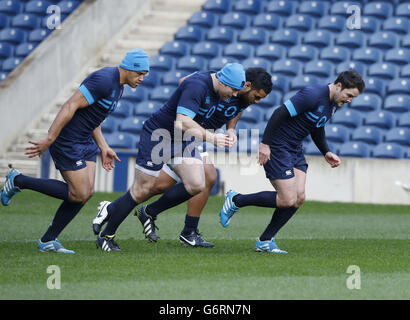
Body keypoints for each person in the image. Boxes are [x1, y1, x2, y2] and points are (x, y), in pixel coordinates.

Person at [93, 68, 273, 247]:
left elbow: (234, 109)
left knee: (196, 184)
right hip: (160, 136)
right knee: (143, 189)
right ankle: (107, 236)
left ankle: (136, 213)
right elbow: (182, 120)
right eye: (233, 91)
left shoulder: (227, 87)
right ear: (225, 83)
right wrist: (211, 137)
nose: (235, 95)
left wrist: (230, 130)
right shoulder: (199, 85)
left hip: (186, 139)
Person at [0, 49, 150, 253]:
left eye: (145, 74)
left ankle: (48, 240)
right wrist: (50, 138)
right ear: (129, 68)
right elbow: (70, 105)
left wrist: (103, 146)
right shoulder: (104, 79)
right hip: (67, 140)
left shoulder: (119, 86)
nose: (142, 78)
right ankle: (18, 181)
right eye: (140, 73)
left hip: (85, 140)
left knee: (86, 193)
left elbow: (93, 116)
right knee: (78, 193)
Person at [219, 70, 365, 254]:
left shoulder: (334, 103)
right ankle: (236, 200)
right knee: (287, 200)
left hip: (294, 148)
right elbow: (279, 112)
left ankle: (265, 240)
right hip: (278, 146)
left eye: (353, 97)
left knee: (299, 198)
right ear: (338, 86)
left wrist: (326, 151)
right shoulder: (312, 95)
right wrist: (265, 144)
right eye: (349, 95)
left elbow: (317, 126)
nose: (350, 100)